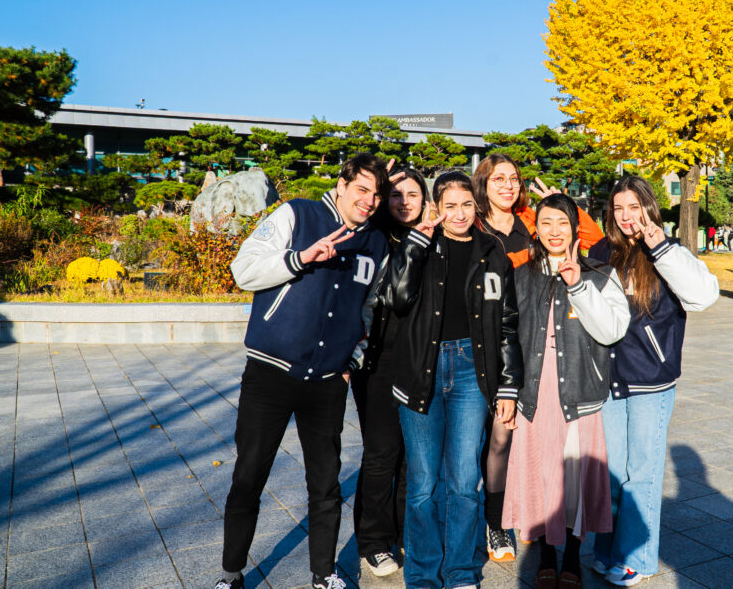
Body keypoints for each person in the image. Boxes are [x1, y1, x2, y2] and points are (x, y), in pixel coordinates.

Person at [215, 154, 391, 589]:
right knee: (249, 474)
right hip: (269, 375)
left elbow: (370, 308)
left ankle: (324, 574)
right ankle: (231, 572)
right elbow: (244, 270)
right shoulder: (298, 213)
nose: (369, 201)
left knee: (326, 484)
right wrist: (299, 258)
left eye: (376, 194)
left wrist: (351, 361)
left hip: (328, 382)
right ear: (341, 184)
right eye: (362, 189)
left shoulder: (377, 244)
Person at [390, 171, 522, 589]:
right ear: (437, 208)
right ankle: (424, 575)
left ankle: (461, 572)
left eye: (467, 204)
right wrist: (415, 246)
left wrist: (507, 385)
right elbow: (396, 298)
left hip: (472, 369)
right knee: (424, 485)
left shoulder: (492, 253)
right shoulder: (420, 245)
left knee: (465, 481)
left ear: (475, 206)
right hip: (421, 370)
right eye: (450, 205)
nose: (459, 213)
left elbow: (507, 323)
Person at [472, 153, 603, 562]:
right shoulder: (469, 223)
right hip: (479, 342)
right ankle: (497, 524)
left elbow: (589, 241)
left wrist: (569, 206)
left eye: (514, 178)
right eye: (498, 179)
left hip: (518, 346)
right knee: (493, 440)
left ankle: (520, 516)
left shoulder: (530, 221)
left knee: (514, 437)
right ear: (484, 184)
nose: (508, 185)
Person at [589, 175, 718, 587]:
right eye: (619, 208)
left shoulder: (668, 251)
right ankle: (607, 550)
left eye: (634, 207)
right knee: (612, 471)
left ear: (649, 207)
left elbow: (703, 295)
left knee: (640, 473)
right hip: (607, 379)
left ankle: (637, 560)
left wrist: (659, 248)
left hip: (650, 380)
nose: (627, 216)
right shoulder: (600, 251)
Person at [503, 194, 630, 587]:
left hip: (580, 393)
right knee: (540, 474)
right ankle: (544, 554)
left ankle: (573, 556)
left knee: (573, 479)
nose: (554, 231)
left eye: (562, 222)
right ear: (535, 229)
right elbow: (507, 334)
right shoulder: (521, 275)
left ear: (576, 227)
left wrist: (577, 285)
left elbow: (612, 330)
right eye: (546, 223)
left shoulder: (600, 273)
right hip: (534, 394)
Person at [351, 167, 429, 577]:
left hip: (420, 360)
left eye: (412, 194)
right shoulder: (373, 239)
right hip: (378, 361)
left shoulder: (435, 238)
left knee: (413, 456)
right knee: (382, 452)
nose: (403, 201)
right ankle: (374, 541)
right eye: (395, 194)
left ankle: (404, 533)